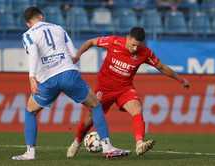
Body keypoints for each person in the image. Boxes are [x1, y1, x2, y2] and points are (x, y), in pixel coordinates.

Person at [11, 6, 129, 160]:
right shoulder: (59, 28)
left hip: (47, 80)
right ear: (42, 16)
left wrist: (32, 77)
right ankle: (107, 147)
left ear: (28, 23)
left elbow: (33, 53)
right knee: (95, 105)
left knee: (30, 111)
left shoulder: (28, 35)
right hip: (68, 74)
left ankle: (30, 152)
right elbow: (74, 54)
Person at [67, 27, 190, 158]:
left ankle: (140, 144)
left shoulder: (145, 53)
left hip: (124, 89)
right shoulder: (113, 41)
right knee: (90, 120)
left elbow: (161, 67)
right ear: (128, 38)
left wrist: (180, 79)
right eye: (133, 45)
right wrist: (77, 55)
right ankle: (76, 142)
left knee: (137, 108)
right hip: (104, 89)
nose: (135, 48)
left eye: (138, 45)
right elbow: (91, 42)